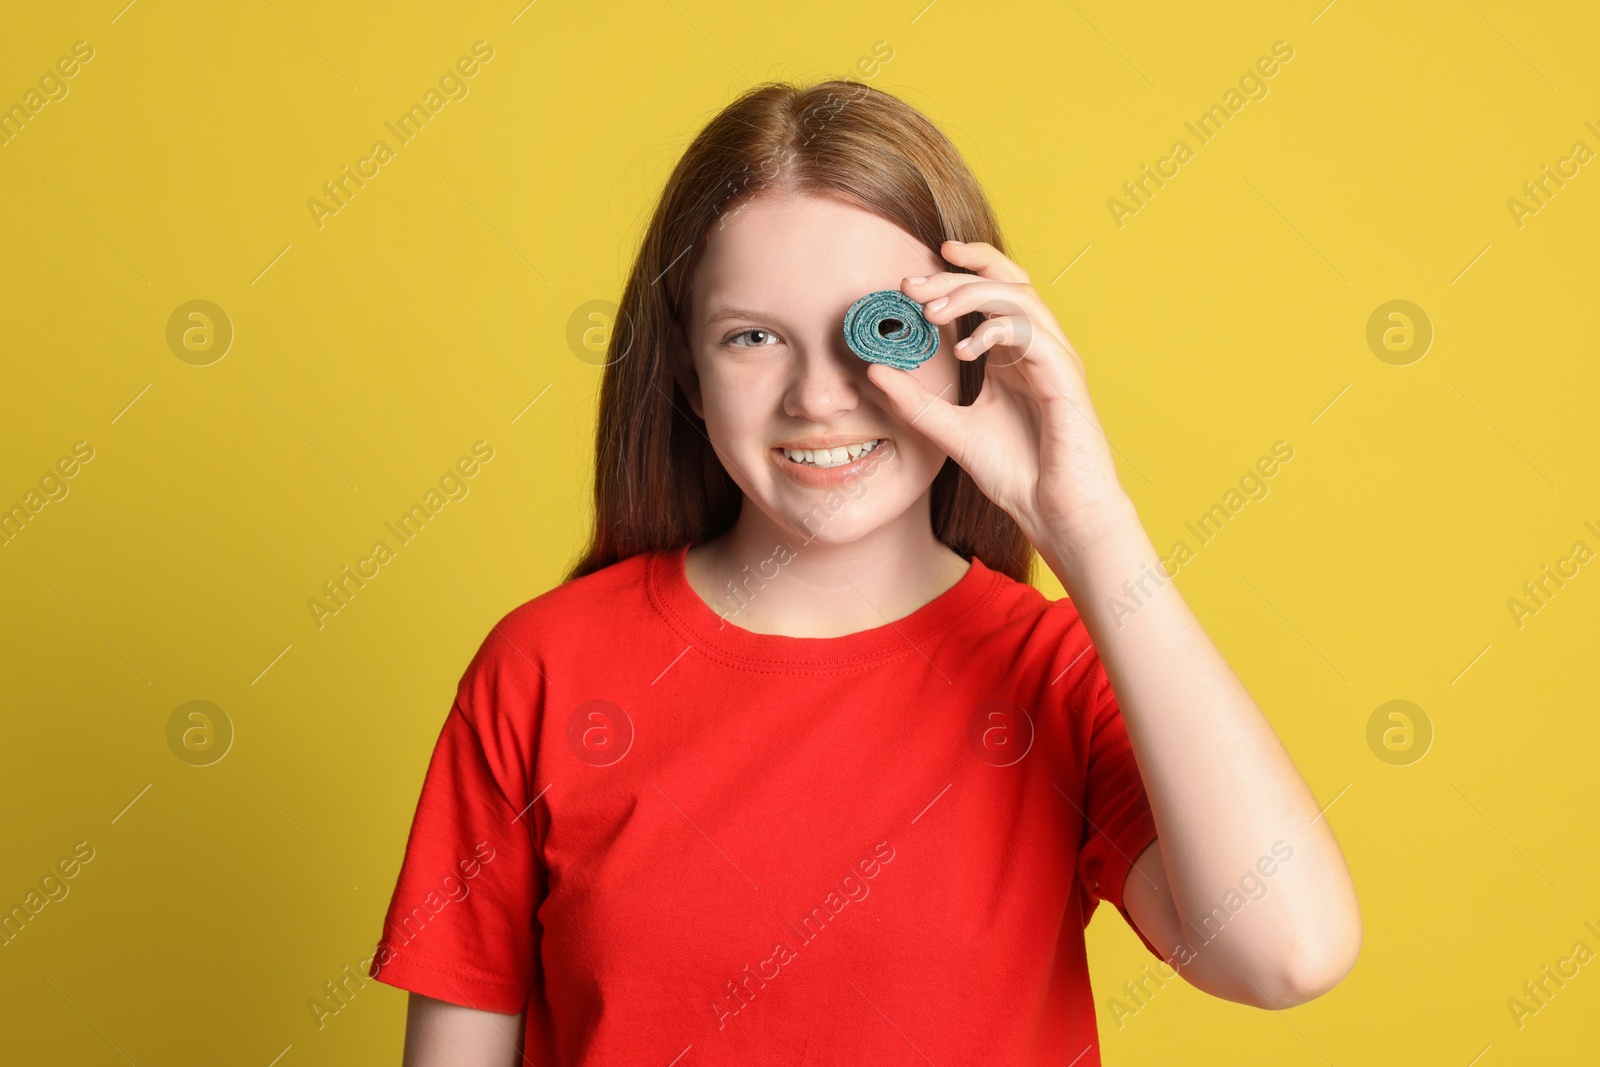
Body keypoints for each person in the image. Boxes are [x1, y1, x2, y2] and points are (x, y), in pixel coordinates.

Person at [368, 77, 1361, 1065]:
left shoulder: (1051, 676)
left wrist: (1086, 521)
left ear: (970, 344)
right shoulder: (544, 667)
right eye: (751, 336)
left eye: (879, 329)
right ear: (685, 368)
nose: (819, 396)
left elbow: (1288, 951)